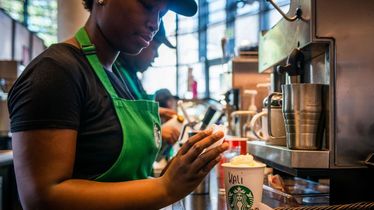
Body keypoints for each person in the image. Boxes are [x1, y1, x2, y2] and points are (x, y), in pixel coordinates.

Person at [8, 1, 228, 210]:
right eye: (148, 6)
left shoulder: (116, 77)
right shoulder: (55, 71)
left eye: (161, 14)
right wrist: (165, 187)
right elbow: (43, 199)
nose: (155, 23)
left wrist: (170, 176)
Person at [115, 21, 180, 145]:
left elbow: (136, 106)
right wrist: (155, 133)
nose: (157, 55)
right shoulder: (115, 73)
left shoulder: (132, 75)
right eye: (155, 48)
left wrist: (159, 111)